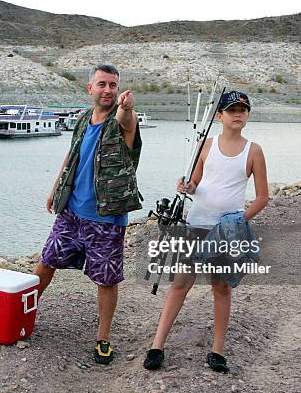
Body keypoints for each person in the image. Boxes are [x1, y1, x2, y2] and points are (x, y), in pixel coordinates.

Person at [143, 90, 269, 372]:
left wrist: (238, 221)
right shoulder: (206, 146)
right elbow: (196, 184)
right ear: (220, 116)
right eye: (232, 109)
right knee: (179, 284)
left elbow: (262, 197)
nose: (238, 114)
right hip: (196, 225)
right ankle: (157, 345)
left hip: (227, 232)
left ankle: (217, 350)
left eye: (243, 110)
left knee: (221, 287)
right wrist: (186, 187)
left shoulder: (254, 151)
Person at [33, 64, 142, 364]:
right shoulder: (83, 118)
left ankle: (103, 338)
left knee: (106, 280)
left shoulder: (122, 120)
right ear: (90, 88)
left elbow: (125, 122)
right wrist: (56, 189)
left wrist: (128, 108)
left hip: (107, 217)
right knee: (45, 263)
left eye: (113, 85)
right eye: (102, 84)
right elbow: (72, 156)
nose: (108, 90)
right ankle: (21, 314)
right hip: (71, 212)